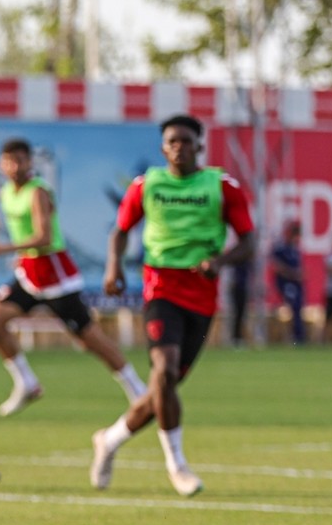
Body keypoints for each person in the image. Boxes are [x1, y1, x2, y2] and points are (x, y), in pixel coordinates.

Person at [91, 114, 255, 497]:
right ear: (163, 148)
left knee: (162, 390)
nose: (178, 147)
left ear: (200, 145)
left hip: (201, 295)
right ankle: (177, 466)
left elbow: (248, 241)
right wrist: (113, 266)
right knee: (163, 373)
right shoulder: (148, 184)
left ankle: (109, 440)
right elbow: (120, 230)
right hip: (160, 289)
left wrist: (220, 262)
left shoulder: (222, 186)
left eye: (186, 140)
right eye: (171, 142)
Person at [0, 138, 146, 417]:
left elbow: (43, 237)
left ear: (30, 162)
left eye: (21, 160)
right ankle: (26, 382)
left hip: (55, 275)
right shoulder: (6, 192)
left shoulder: (38, 191)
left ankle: (137, 389)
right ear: (2, 164)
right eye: (9, 160)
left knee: (89, 339)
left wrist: (1, 249)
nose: (15, 166)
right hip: (29, 274)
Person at [269, 220, 306, 345]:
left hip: (296, 284)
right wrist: (293, 274)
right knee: (294, 305)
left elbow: (299, 268)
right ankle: (296, 337)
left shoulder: (295, 249)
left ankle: (298, 336)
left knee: (298, 307)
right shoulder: (281, 247)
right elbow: (276, 266)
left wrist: (300, 275)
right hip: (286, 283)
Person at [226, 258, 252, 347]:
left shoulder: (245, 261)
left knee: (241, 314)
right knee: (235, 314)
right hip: (236, 288)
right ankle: (234, 337)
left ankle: (238, 337)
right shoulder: (236, 260)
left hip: (242, 287)